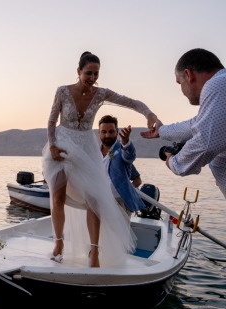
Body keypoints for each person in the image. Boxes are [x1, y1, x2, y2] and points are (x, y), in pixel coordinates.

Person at [43, 51, 158, 268]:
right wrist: (52, 145)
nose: (92, 78)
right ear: (78, 71)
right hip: (62, 144)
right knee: (57, 197)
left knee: (93, 201)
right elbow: (51, 121)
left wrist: (148, 113)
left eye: (96, 74)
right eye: (88, 73)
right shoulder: (62, 91)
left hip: (86, 147)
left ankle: (93, 252)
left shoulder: (100, 94)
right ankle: (58, 244)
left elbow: (131, 102)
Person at [141, 48, 226, 198]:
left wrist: (173, 162)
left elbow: (204, 144)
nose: (182, 91)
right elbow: (196, 124)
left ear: (188, 74)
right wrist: (161, 131)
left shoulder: (216, 85)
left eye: (179, 83)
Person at [98, 115, 146, 217]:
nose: (107, 135)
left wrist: (126, 142)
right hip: (99, 201)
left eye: (111, 132)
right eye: (104, 132)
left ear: (116, 132)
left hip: (119, 203)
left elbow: (129, 156)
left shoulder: (121, 150)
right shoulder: (93, 153)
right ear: (99, 133)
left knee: (120, 233)